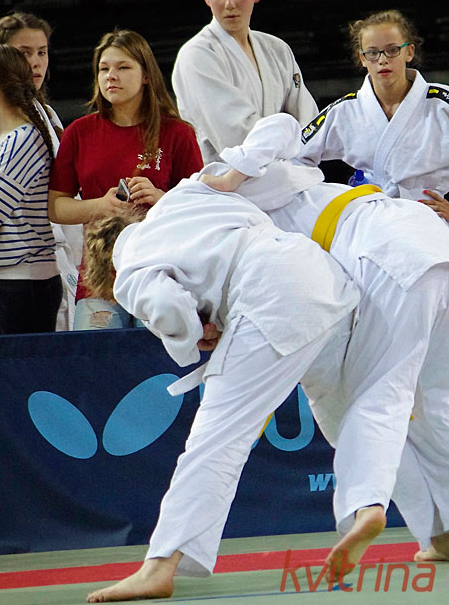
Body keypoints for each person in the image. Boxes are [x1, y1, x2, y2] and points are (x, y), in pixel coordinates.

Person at [199, 112, 449, 574]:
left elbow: (279, 126)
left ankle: (365, 508)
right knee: (427, 407)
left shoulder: (225, 195)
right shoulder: (285, 188)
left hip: (389, 259)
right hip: (444, 256)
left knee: (377, 397)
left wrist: (227, 178)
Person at [81, 178, 359, 602]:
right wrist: (212, 319)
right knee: (361, 410)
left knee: (216, 439)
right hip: (323, 273)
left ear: (109, 270)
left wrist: (195, 332)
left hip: (271, 297)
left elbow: (168, 306)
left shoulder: (129, 260)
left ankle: (159, 566)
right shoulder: (185, 197)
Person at [299, 9, 449, 236]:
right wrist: (323, 203)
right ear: (363, 58)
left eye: (392, 50)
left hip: (425, 220)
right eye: (373, 53)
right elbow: (296, 155)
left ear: (409, 52)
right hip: (366, 222)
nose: (382, 60)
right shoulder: (344, 110)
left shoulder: (442, 104)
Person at [48, 29, 203, 330]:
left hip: (162, 274)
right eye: (104, 69)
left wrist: (162, 199)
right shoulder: (79, 132)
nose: (111, 76)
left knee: (158, 358)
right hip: (99, 278)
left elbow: (201, 206)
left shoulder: (177, 133)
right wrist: (100, 206)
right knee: (97, 357)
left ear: (146, 75)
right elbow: (56, 207)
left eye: (123, 67)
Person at [0, 11, 82, 331]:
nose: (35, 63)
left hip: (34, 266)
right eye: (24, 53)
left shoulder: (42, 118)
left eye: (42, 52)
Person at [172, 0, 317, 164]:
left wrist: (298, 156)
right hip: (225, 178)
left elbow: (309, 124)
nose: (229, 4)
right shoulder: (197, 55)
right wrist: (288, 147)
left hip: (291, 171)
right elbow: (236, 138)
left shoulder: (277, 49)